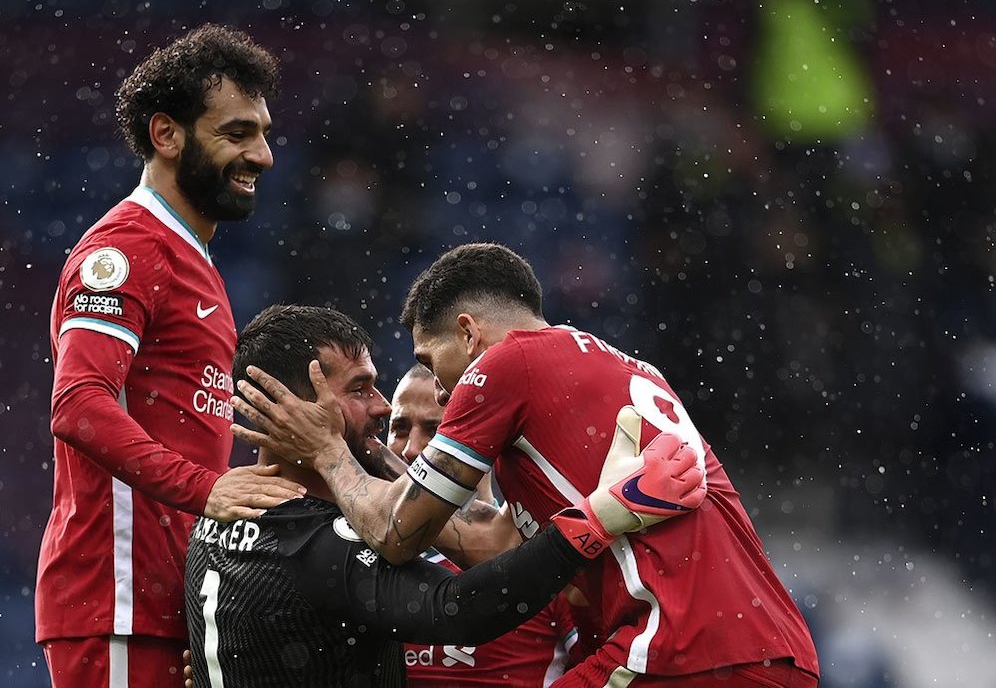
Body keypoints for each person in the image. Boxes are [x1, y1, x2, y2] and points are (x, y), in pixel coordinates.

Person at [232, 242, 821, 686]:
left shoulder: (505, 366)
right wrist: (377, 458)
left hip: (678, 643)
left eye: (428, 359)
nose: (439, 390)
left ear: (467, 333)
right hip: (769, 646)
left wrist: (330, 451)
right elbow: (500, 546)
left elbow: (394, 534)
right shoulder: (623, 367)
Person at [185, 304, 705, 686]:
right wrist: (597, 518)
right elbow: (459, 609)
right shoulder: (323, 544)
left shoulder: (225, 519)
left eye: (438, 430)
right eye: (361, 389)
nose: (382, 407)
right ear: (293, 407)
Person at [35, 24, 307, 688]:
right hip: (117, 599)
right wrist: (208, 488)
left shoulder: (196, 261)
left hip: (169, 605)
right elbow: (78, 404)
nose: (264, 155)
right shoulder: (127, 251)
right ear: (167, 135)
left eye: (265, 133)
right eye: (238, 133)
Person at [387, 364, 579, 686]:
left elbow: (611, 666)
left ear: (486, 439)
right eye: (400, 428)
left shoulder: (547, 544)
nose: (411, 448)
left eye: (435, 430)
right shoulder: (361, 553)